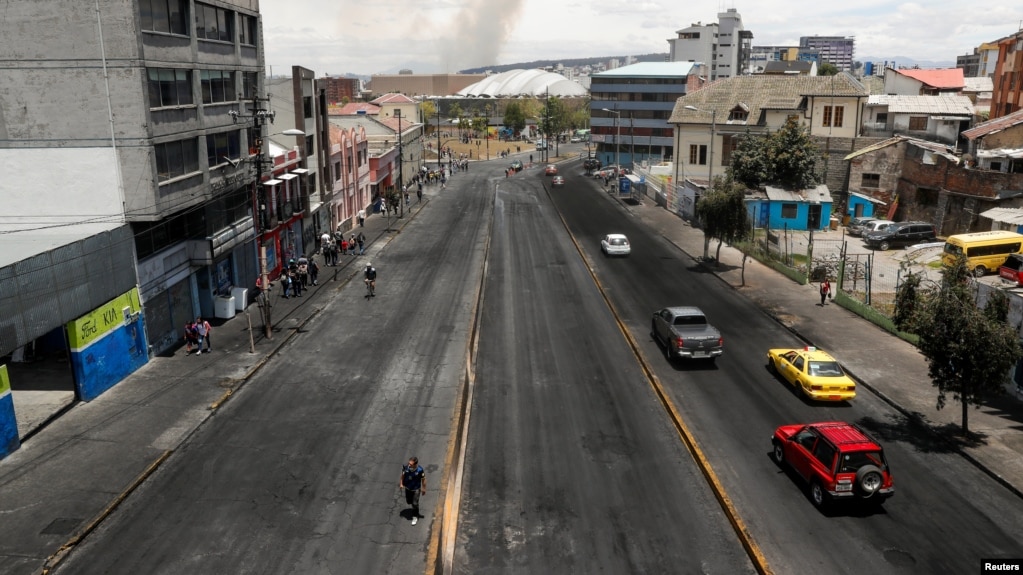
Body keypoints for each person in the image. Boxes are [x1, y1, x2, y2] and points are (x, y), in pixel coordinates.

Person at [400, 456, 426, 525]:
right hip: (408, 488)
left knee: (415, 503)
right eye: (409, 463)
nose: (409, 465)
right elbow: (402, 475)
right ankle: (414, 508)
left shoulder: (420, 470)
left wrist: (424, 488)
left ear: (415, 464)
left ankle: (415, 516)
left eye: (411, 464)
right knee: (409, 501)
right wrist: (401, 483)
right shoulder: (405, 468)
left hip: (416, 489)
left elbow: (423, 480)